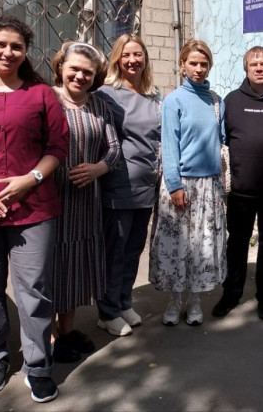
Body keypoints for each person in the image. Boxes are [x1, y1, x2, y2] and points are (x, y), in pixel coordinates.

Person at [0, 15, 68, 403]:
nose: (8, 52)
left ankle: (38, 366)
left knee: (34, 290)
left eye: (17, 46)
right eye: (1, 44)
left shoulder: (41, 95)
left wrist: (31, 179)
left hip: (33, 210)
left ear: (26, 52)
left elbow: (58, 146)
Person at [50, 41, 121, 362]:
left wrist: (98, 168)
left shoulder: (99, 106)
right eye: (74, 69)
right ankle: (48, 337)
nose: (80, 76)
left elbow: (114, 149)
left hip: (86, 204)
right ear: (61, 68)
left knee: (76, 268)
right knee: (51, 268)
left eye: (87, 72)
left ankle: (66, 331)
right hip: (51, 202)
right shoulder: (46, 100)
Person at [149, 39, 227, 326]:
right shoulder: (174, 101)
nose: (198, 69)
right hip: (181, 183)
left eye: (204, 64)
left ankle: (195, 301)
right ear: (182, 64)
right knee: (176, 246)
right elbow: (169, 146)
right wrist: (174, 185)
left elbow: (222, 140)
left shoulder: (216, 101)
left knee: (201, 247)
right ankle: (174, 300)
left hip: (209, 186)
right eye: (193, 63)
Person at [212, 46, 263, 321]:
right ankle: (231, 294)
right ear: (246, 69)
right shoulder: (232, 101)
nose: (259, 68)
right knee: (237, 244)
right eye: (253, 64)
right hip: (240, 190)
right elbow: (222, 140)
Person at [95, 34, 161, 336]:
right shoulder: (107, 94)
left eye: (138, 54)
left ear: (145, 58)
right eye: (126, 55)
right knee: (116, 250)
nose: (133, 60)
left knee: (134, 248)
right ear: (117, 60)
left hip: (147, 184)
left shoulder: (152, 95)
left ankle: (123, 301)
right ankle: (107, 312)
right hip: (119, 184)